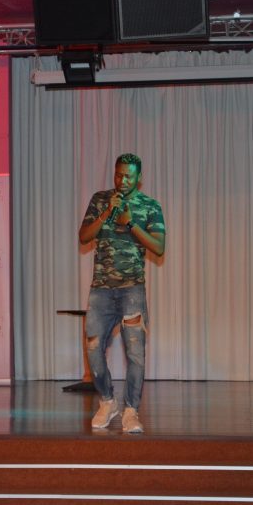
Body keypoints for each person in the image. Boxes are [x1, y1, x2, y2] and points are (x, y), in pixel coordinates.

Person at [78, 153, 165, 434]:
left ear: (139, 178)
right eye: (119, 175)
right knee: (93, 347)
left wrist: (130, 223)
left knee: (135, 353)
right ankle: (107, 401)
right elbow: (84, 236)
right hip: (101, 289)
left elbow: (159, 247)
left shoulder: (150, 206)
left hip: (132, 289)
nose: (123, 180)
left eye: (129, 176)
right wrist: (106, 213)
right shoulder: (100, 199)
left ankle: (131, 411)